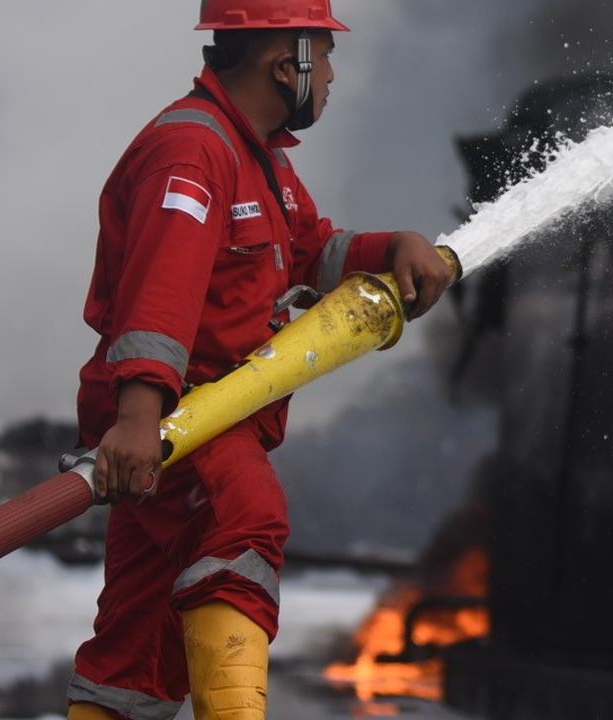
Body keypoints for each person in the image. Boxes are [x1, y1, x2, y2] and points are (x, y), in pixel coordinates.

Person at [65, 1, 454, 718]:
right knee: (246, 516)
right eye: (326, 56)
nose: (332, 77)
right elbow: (162, 289)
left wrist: (390, 246)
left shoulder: (257, 159)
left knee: (138, 646)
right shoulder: (195, 153)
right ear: (287, 64)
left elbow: (309, 250)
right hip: (182, 413)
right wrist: (140, 417)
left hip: (182, 417)